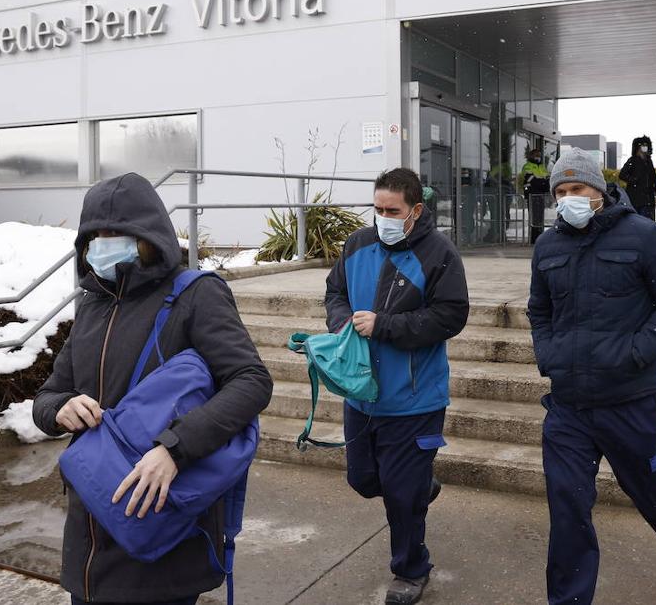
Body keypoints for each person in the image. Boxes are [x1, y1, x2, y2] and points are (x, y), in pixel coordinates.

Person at [32, 173, 273, 605]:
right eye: (95, 235)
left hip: (160, 531)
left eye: (117, 233)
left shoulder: (195, 295)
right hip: (88, 533)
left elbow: (251, 382)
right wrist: (61, 408)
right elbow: (48, 395)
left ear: (148, 234)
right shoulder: (91, 303)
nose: (104, 243)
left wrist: (174, 449)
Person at [528, 148, 656, 603]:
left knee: (650, 493)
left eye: (577, 189)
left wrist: (635, 353)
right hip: (568, 407)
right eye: (560, 192)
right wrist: (548, 354)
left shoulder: (646, 237)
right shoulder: (547, 246)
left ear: (599, 191)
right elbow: (539, 310)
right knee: (567, 509)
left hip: (632, 402)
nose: (568, 199)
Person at [324, 167, 470, 605]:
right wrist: (341, 323)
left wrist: (384, 325)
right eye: (377, 209)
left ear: (415, 210)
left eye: (393, 210)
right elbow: (335, 293)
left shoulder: (440, 253)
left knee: (401, 498)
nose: (383, 217)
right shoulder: (357, 245)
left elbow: (451, 316)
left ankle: (410, 569)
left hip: (414, 398)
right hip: (362, 394)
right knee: (364, 480)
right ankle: (421, 485)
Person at [618, 135, 656, 220]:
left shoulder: (649, 161)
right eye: (642, 145)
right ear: (638, 147)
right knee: (638, 222)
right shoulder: (632, 160)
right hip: (635, 198)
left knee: (648, 222)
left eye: (646, 145)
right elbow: (622, 174)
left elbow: (653, 177)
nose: (644, 147)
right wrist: (633, 180)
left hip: (648, 199)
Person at [520, 147, 552, 244]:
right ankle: (534, 239)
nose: (538, 157)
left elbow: (547, 179)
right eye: (536, 155)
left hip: (541, 195)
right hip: (532, 195)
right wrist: (542, 182)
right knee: (534, 217)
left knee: (540, 217)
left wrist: (542, 182)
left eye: (539, 155)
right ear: (531, 156)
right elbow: (531, 180)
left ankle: (540, 237)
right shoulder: (527, 166)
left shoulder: (541, 166)